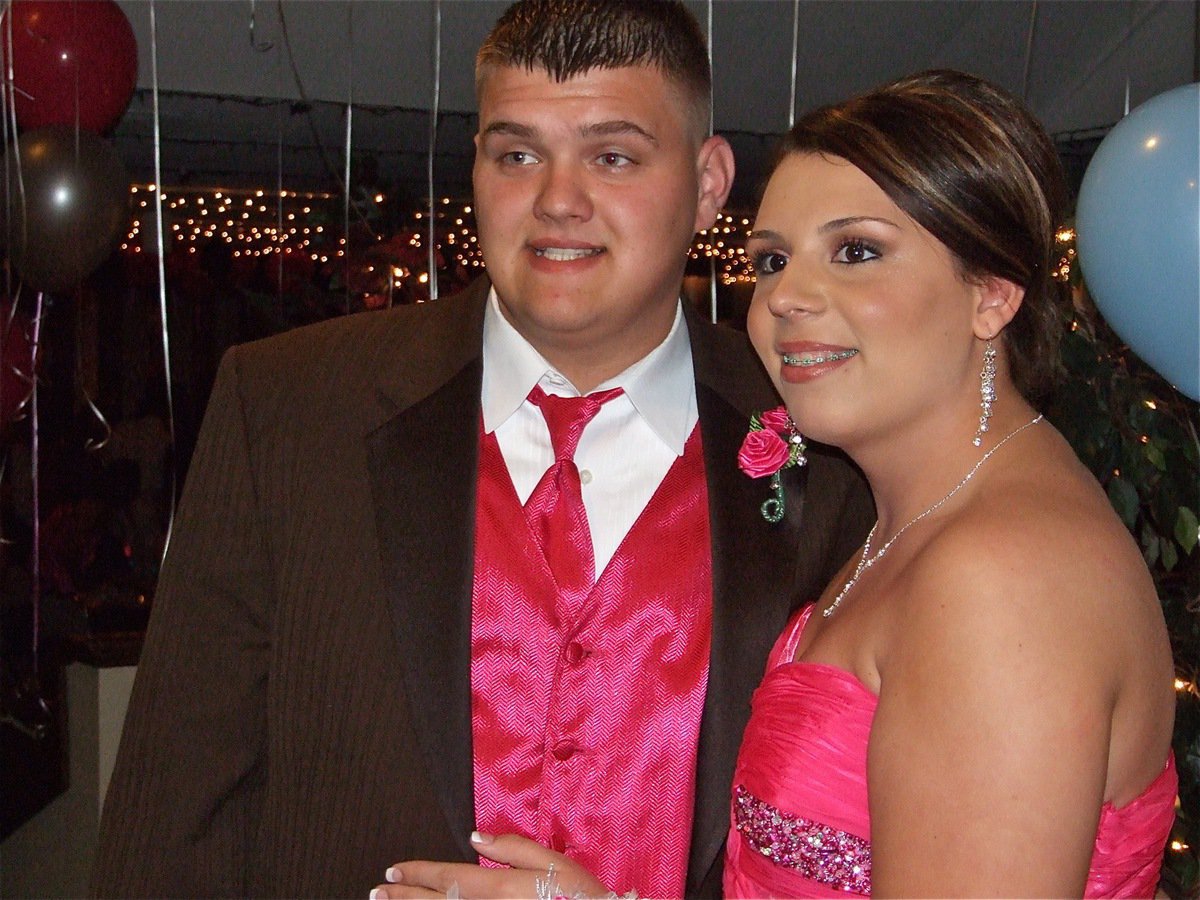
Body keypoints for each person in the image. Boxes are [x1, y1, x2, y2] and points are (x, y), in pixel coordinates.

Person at [90, 2, 872, 898]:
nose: (557, 201)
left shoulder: (827, 442)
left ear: (706, 182)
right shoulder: (288, 410)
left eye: (612, 156)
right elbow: (173, 818)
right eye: (517, 155)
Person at [722, 70, 1177, 896]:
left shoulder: (1004, 578)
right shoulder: (930, 516)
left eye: (856, 251)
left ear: (992, 293)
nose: (786, 296)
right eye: (772, 260)